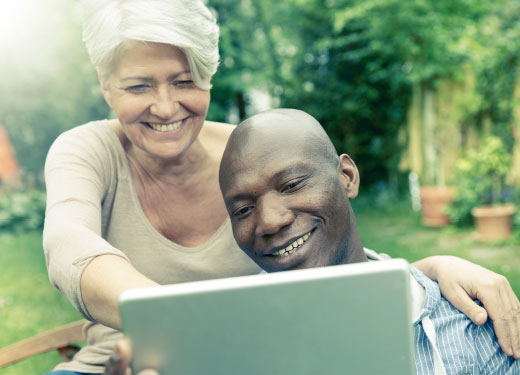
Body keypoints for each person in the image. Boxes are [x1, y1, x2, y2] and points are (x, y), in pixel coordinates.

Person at [42, 1, 519, 374]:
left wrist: (426, 271)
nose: (165, 107)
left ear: (208, 76)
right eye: (138, 87)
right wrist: (179, 328)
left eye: (184, 81)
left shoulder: (247, 156)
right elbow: (69, 245)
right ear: (107, 87)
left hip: (251, 358)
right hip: (120, 362)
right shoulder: (88, 151)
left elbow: (325, 242)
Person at [218, 108, 520, 375]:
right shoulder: (227, 347)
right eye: (243, 209)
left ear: (347, 176)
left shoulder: (470, 325)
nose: (269, 220)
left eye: (292, 184)